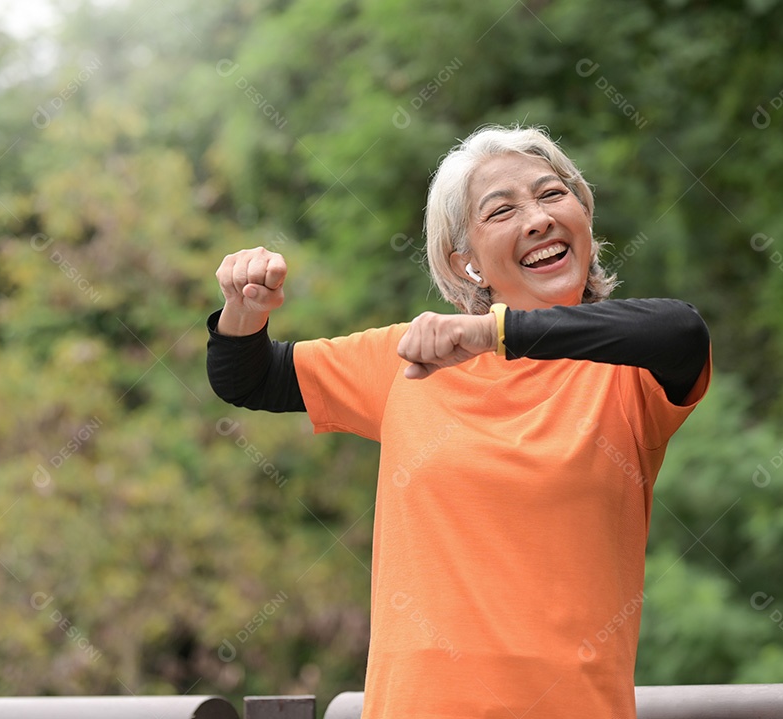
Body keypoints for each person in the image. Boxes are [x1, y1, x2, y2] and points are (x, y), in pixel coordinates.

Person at [207, 125, 711, 719]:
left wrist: (494, 333)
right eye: (502, 210)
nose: (538, 218)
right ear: (465, 263)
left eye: (553, 195)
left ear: (585, 220)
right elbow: (249, 378)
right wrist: (243, 311)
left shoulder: (626, 371)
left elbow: (682, 331)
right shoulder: (410, 358)